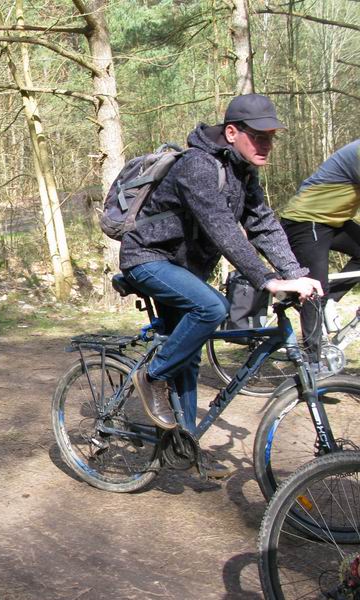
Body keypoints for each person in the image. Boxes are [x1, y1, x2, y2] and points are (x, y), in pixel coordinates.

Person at [119, 94, 322, 477]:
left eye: (271, 137)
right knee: (212, 308)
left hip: (183, 269)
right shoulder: (197, 166)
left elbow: (262, 224)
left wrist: (294, 273)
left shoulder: (244, 173)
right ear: (232, 132)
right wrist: (267, 278)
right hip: (147, 259)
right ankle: (151, 377)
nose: (266, 145)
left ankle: (185, 444)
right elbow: (223, 229)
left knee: (190, 357)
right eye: (259, 136)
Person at [279, 139, 360, 364]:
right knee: (314, 290)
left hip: (334, 220)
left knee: (322, 297)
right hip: (306, 219)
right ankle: (313, 364)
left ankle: (330, 300)